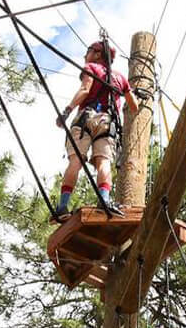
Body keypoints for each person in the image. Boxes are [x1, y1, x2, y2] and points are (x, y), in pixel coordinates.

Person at [55, 40, 138, 220]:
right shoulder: (120, 78)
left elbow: (85, 89)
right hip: (107, 123)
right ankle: (105, 200)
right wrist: (129, 93)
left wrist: (66, 111)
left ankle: (62, 206)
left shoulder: (91, 67)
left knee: (75, 161)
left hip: (86, 118)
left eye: (88, 51)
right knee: (104, 162)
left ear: (98, 54)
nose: (86, 55)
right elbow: (134, 107)